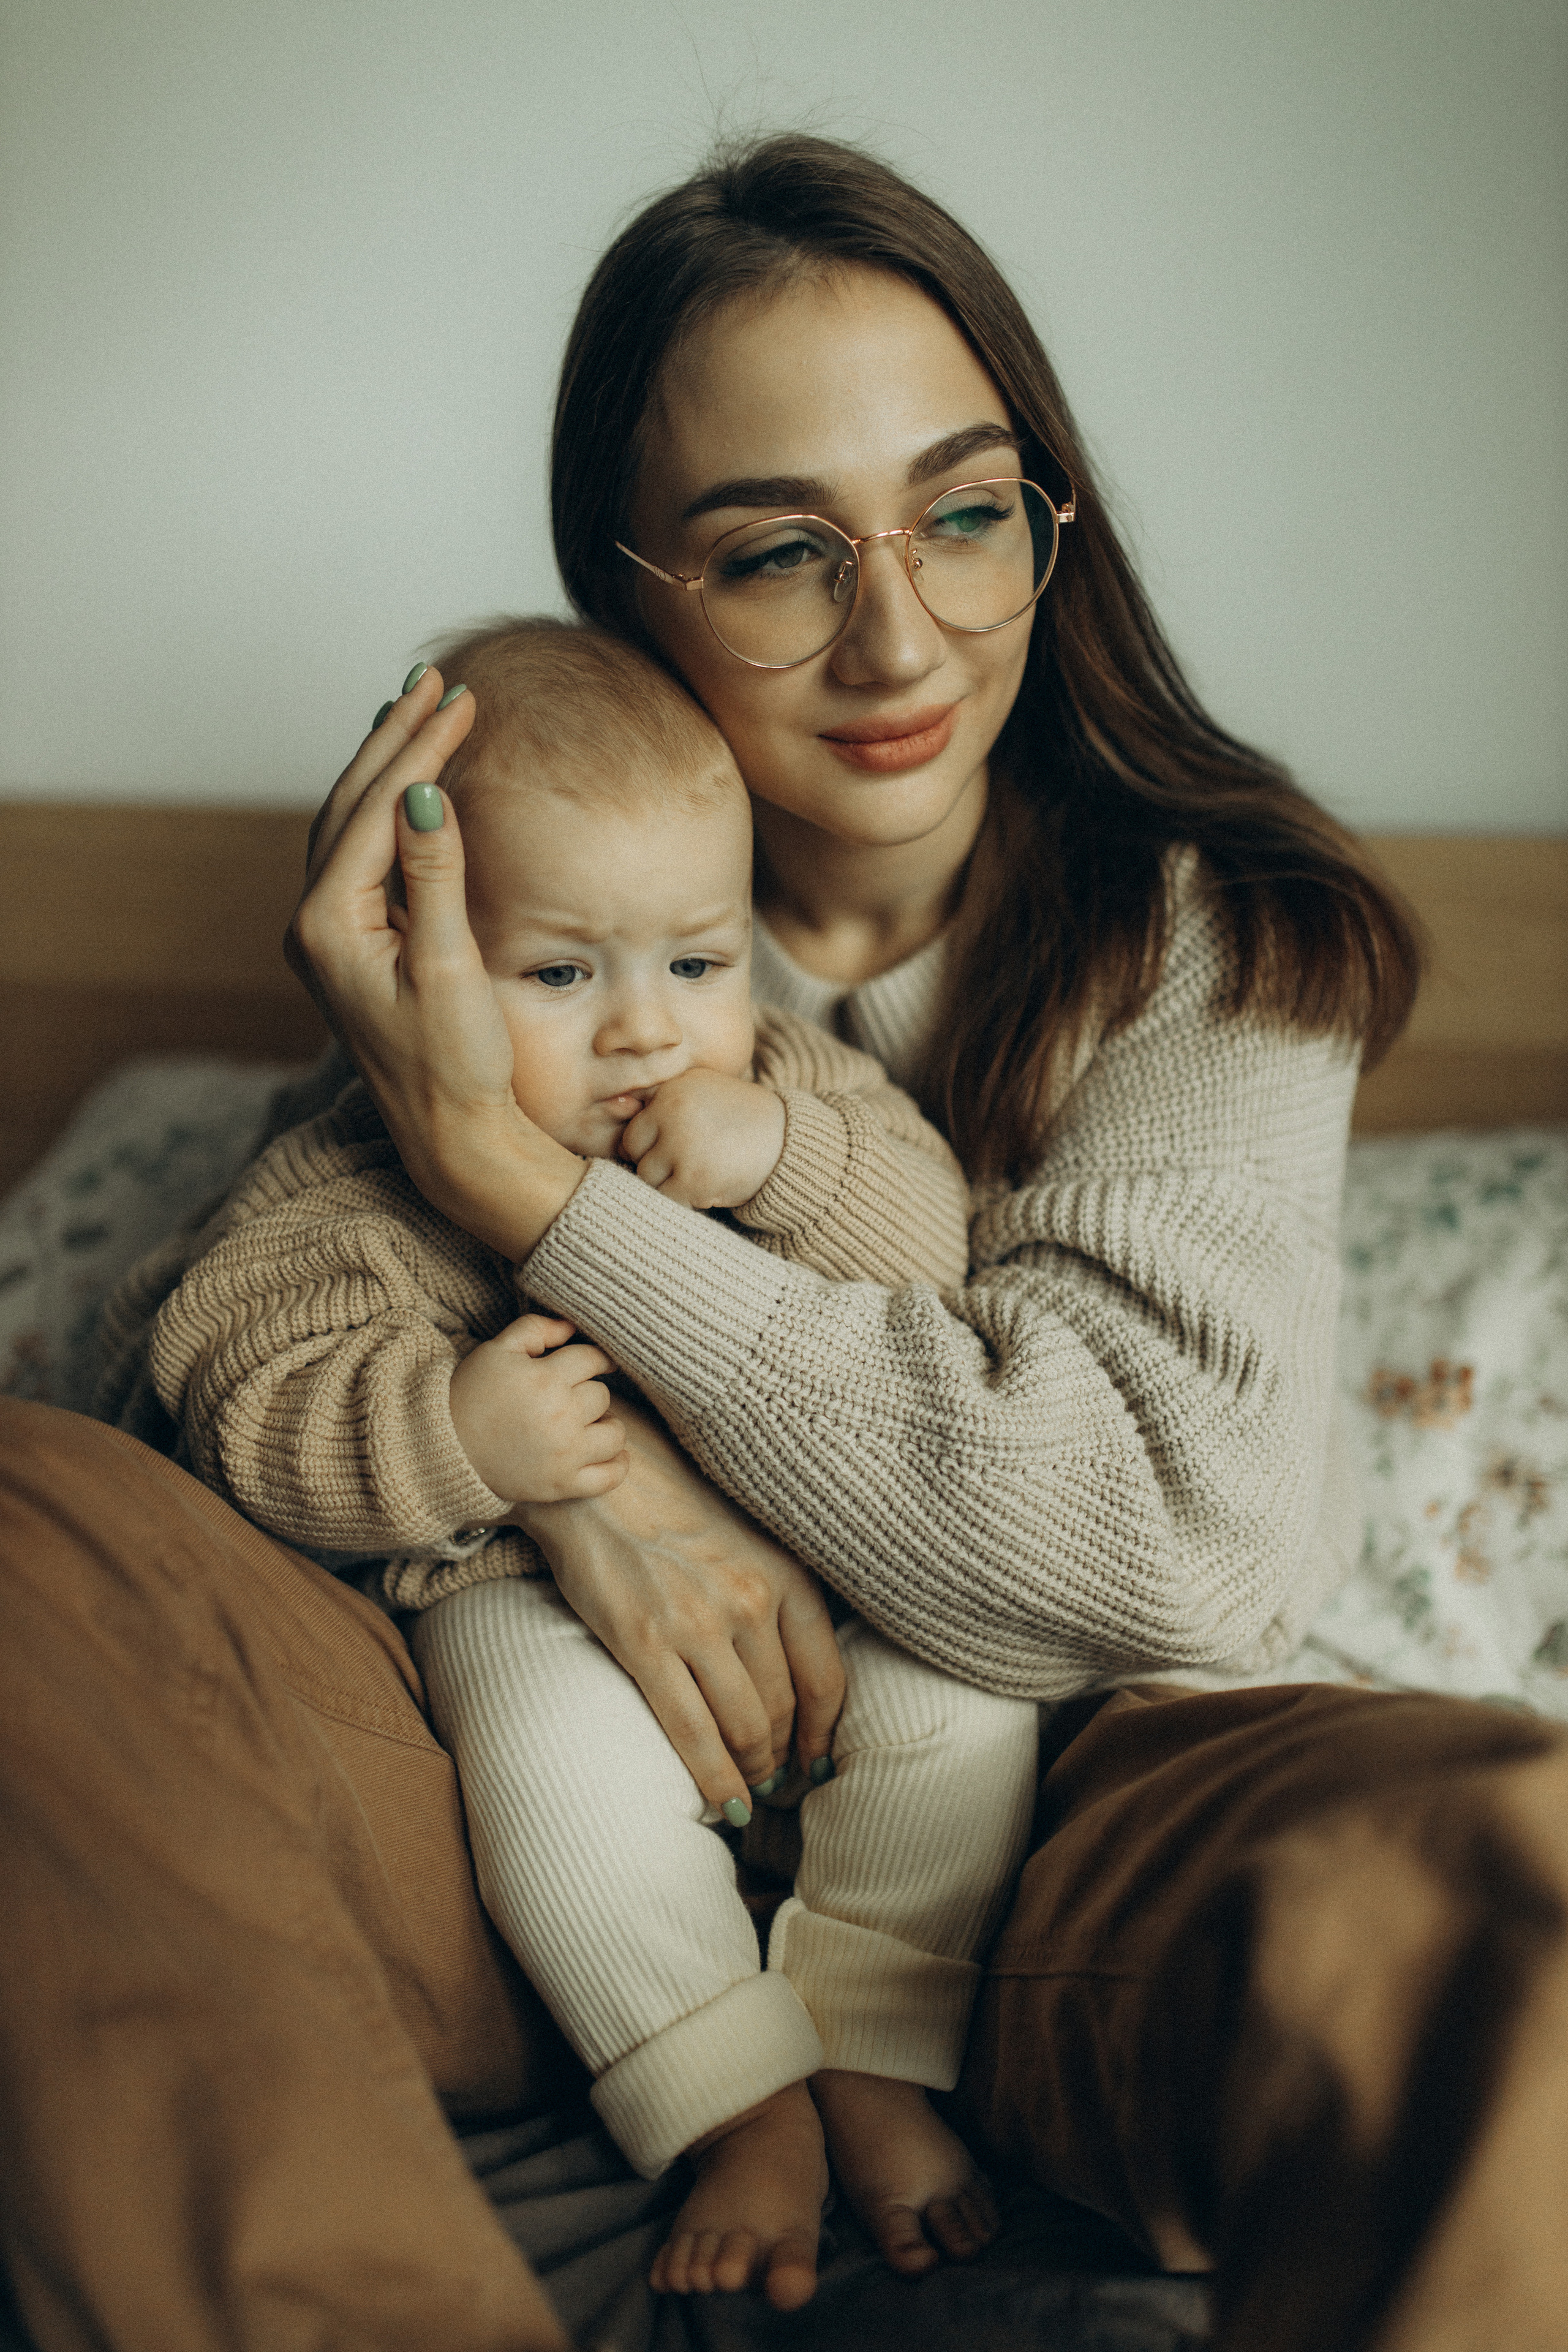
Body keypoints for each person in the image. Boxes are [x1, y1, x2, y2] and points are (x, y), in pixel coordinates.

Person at [2, 130, 1564, 2352]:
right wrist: (569, 1475)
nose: (900, 631)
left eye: (960, 511)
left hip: (1066, 1824)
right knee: (22, 1520)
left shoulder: (1211, 950)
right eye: (773, 556)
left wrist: (519, 1181)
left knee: (1518, 1855)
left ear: (1047, 521)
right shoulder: (493, 951)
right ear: (622, 592)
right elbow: (238, 1415)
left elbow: (1153, 1559)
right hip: (500, 1815)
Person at [126, 615, 1038, 2305]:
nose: (646, 1032)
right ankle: (729, 2096)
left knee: (973, 1706)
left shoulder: (791, 1086)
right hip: (521, 1596)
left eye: (696, 962)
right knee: (549, 1776)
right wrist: (457, 1432)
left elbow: (936, 1254)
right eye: (561, 974)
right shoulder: (350, 1189)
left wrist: (779, 1157)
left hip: (835, 1574)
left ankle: (875, 2036)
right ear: (416, 964)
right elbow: (232, 1400)